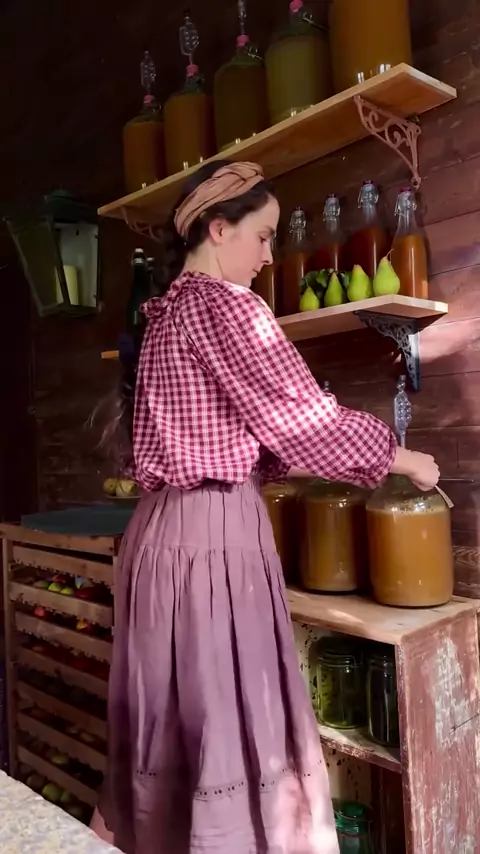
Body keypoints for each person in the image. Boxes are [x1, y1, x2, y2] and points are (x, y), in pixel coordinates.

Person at [91, 160, 440, 854]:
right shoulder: (228, 307)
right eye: (262, 235)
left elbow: (253, 431)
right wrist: (403, 457)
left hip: (157, 538)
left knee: (176, 718)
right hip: (213, 539)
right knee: (231, 718)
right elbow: (302, 420)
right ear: (218, 230)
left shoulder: (166, 316)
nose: (268, 255)